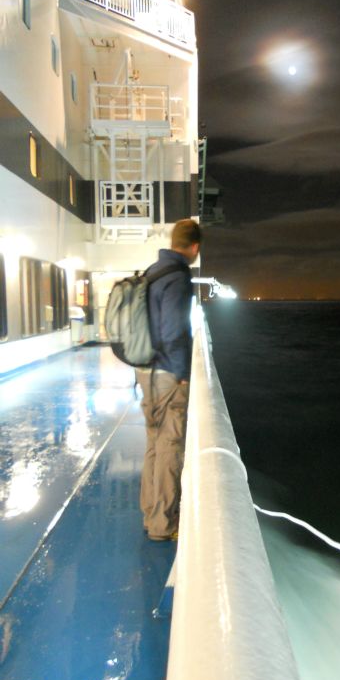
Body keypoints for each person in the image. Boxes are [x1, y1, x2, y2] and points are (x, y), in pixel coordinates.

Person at [135, 218, 202, 541]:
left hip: (144, 371)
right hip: (166, 375)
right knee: (170, 447)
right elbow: (175, 333)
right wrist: (183, 376)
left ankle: (151, 512)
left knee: (153, 443)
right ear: (194, 248)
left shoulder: (152, 272)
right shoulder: (178, 277)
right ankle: (163, 525)